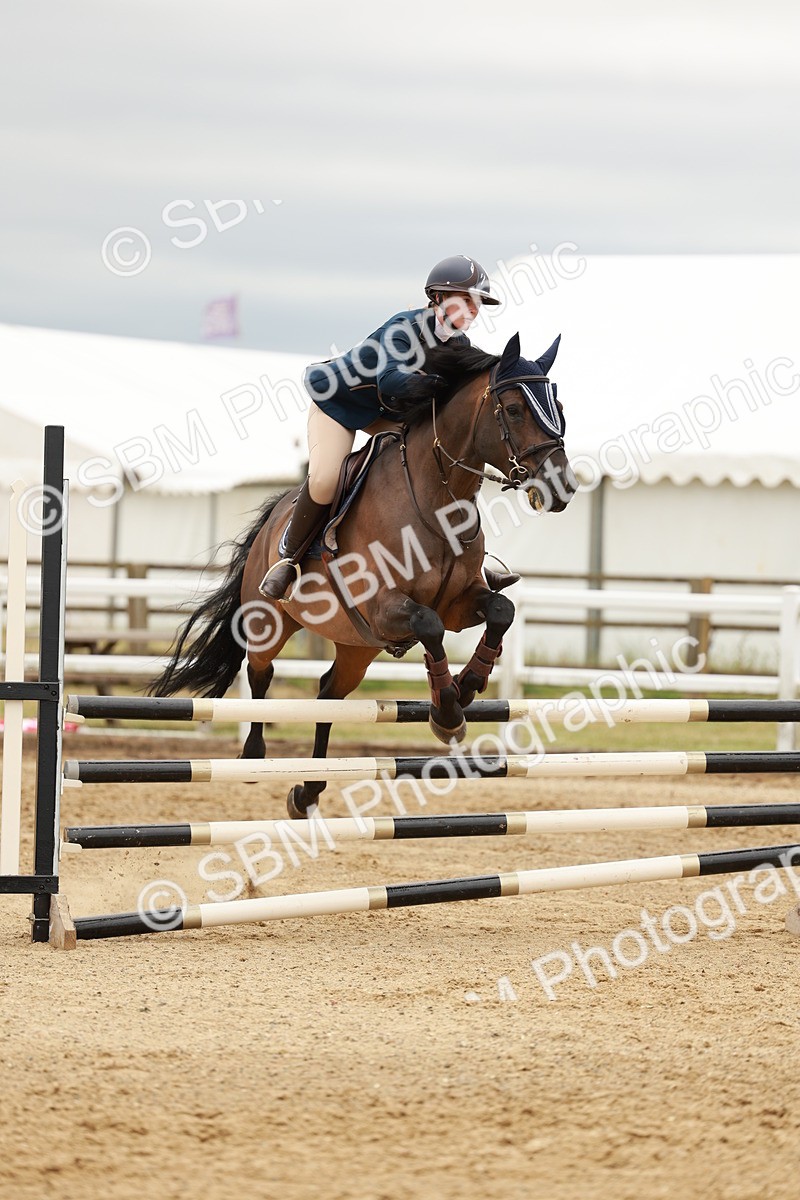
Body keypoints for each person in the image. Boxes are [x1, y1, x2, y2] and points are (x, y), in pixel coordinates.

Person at [259, 254, 501, 600]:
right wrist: (434, 384)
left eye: (477, 302)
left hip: (384, 412)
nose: (474, 309)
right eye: (466, 299)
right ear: (438, 297)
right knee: (326, 480)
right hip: (338, 403)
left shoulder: (458, 345)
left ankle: (471, 560)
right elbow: (390, 380)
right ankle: (288, 558)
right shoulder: (403, 328)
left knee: (440, 462)